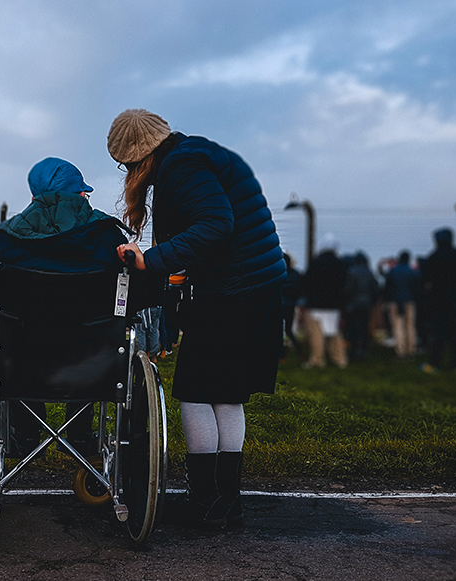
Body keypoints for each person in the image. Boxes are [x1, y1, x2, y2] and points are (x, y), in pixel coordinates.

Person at [108, 109, 286, 527]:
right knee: (225, 393)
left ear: (140, 157)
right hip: (254, 285)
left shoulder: (182, 167)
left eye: (128, 165)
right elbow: (221, 226)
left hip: (232, 290)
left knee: (194, 390)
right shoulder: (198, 153)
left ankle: (205, 499)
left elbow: (215, 224)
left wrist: (151, 259)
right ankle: (227, 501)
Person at [0, 157, 136, 457]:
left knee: (18, 342)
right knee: (88, 342)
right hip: (92, 363)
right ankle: (81, 437)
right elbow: (136, 295)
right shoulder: (109, 237)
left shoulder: (5, 239)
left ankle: (26, 435)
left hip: (21, 363)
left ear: (34, 197)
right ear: (81, 195)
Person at [419, 228, 456, 373]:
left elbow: (425, 277)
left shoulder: (434, 257)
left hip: (438, 298)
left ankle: (435, 363)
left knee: (438, 332)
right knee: (454, 331)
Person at [298, 233, 349, 368]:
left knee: (316, 334)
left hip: (316, 304)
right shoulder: (341, 264)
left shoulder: (315, 263)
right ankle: (339, 359)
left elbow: (307, 283)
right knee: (334, 333)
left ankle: (317, 359)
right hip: (334, 305)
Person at [342, 251, 379, 362]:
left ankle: (353, 351)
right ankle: (363, 350)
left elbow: (347, 289)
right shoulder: (370, 272)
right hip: (367, 305)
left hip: (353, 305)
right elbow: (375, 289)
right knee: (364, 328)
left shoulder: (351, 272)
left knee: (353, 328)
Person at [383, 251, 419, 358]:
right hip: (409, 301)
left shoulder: (392, 271)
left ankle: (401, 351)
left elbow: (387, 287)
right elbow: (416, 288)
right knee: (410, 326)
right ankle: (411, 349)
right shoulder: (412, 272)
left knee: (398, 327)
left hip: (395, 302)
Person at [280, 253, 302, 359]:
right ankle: (299, 351)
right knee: (289, 330)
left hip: (279, 305)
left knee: (278, 331)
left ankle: (282, 355)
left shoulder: (277, 273)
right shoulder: (295, 274)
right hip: (291, 305)